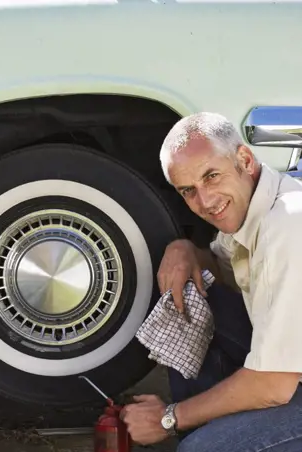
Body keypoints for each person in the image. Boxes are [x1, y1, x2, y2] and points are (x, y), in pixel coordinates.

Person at [120, 112, 302, 451]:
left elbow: (274, 384)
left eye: (212, 176)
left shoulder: (288, 225)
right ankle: (211, 427)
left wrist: (169, 418)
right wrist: (185, 249)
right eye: (189, 190)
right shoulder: (252, 209)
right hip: (288, 375)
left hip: (284, 380)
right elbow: (218, 266)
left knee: (200, 450)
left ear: (244, 160)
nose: (205, 201)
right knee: (191, 291)